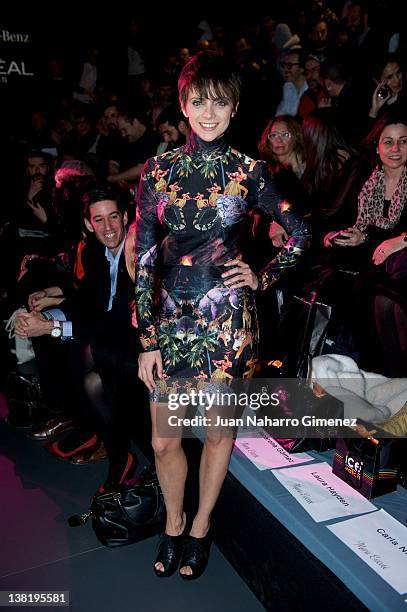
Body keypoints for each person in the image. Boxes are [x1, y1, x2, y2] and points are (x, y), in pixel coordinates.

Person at [135, 51, 310, 580]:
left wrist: (262, 276)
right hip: (171, 322)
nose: (208, 112)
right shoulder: (157, 170)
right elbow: (144, 256)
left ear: (233, 109)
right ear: (183, 106)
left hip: (227, 323)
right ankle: (173, 520)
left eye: (219, 101)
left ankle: (201, 526)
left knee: (216, 434)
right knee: (165, 438)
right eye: (197, 100)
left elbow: (300, 235)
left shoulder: (249, 171)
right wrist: (147, 337)